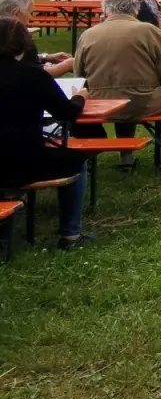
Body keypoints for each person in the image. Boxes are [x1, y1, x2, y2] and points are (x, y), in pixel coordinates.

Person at [76, 0, 161, 170]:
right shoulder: (148, 31)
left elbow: (79, 74)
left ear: (106, 11)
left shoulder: (88, 34)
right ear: (136, 11)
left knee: (124, 98)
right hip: (142, 99)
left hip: (101, 102)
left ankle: (126, 158)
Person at [0, 17, 94, 249]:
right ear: (23, 45)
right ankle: (71, 234)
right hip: (22, 161)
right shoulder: (32, 75)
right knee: (76, 160)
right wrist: (80, 96)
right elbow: (67, 112)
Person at [0, 0, 75, 78]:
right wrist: (67, 65)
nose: (31, 17)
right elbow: (33, 75)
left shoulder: (5, 34)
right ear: (16, 14)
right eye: (29, 12)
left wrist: (45, 57)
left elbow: (15, 61)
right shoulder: (13, 38)